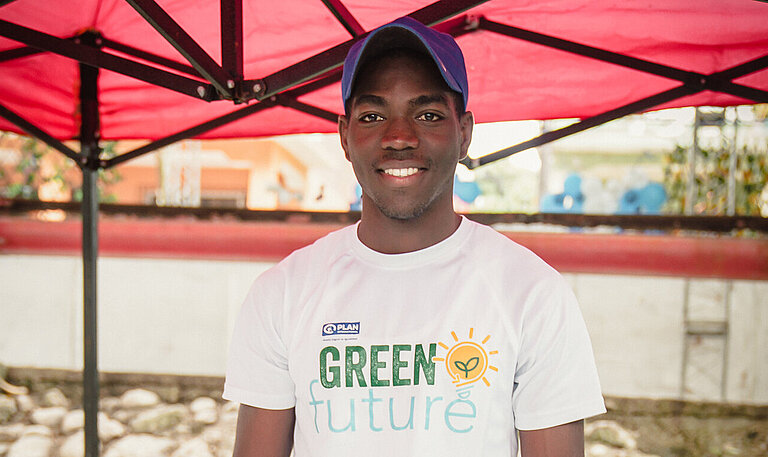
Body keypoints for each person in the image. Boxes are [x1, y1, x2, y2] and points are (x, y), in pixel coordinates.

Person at [223, 16, 605, 457]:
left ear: (464, 134)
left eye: (427, 114)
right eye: (372, 115)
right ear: (345, 136)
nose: (399, 137)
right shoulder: (283, 293)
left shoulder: (532, 293)